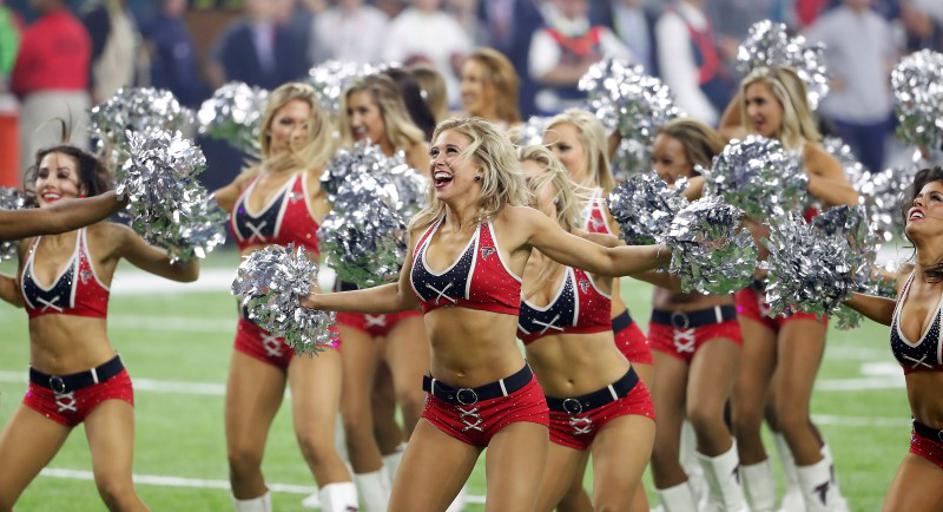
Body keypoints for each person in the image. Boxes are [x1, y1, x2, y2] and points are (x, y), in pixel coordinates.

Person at [301, 117, 669, 511]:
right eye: (435, 151)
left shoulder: (516, 222)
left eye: (452, 151)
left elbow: (607, 258)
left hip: (512, 407)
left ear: (481, 166)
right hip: (444, 408)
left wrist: (671, 248)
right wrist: (319, 301)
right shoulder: (422, 228)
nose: (438, 159)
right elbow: (400, 295)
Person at [0, 144, 199, 511]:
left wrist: (181, 227)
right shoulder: (28, 240)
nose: (49, 182)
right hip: (44, 394)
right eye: (42, 174)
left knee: (116, 490)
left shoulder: (107, 236)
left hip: (100, 389)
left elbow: (184, 273)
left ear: (83, 190)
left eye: (62, 175)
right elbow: (24, 297)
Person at [212, 82, 357, 512]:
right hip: (253, 332)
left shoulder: (318, 181)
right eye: (287, 121)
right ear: (269, 125)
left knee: (316, 442)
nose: (295, 132)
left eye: (305, 125)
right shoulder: (248, 182)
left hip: (308, 331)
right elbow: (196, 214)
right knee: (241, 458)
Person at [720, 66, 858, 512]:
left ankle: (827, 503)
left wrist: (799, 178)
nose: (753, 110)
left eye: (762, 101)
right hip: (754, 292)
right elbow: (722, 130)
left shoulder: (810, 155)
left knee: (788, 412)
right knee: (744, 414)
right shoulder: (742, 149)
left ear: (786, 104)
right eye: (749, 102)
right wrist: (753, 73)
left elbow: (851, 200)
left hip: (802, 294)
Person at [314, 72, 430, 511]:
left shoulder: (419, 153)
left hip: (404, 296)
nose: (357, 120)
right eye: (350, 112)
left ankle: (435, 500)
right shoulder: (341, 160)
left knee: (413, 399)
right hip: (353, 296)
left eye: (365, 110)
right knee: (357, 416)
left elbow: (438, 215)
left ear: (387, 111)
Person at [518, 144, 656, 511]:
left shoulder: (591, 245)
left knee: (611, 506)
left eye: (532, 183)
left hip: (618, 404)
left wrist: (682, 250)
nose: (524, 192)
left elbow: (641, 265)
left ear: (555, 189)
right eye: (515, 184)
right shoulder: (505, 261)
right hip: (556, 416)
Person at [644, 118, 746, 510]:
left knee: (704, 413)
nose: (658, 170)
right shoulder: (649, 205)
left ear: (698, 166)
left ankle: (730, 506)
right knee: (658, 444)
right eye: (654, 159)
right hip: (664, 327)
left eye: (667, 161)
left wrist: (619, 262)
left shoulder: (718, 207)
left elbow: (687, 277)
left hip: (713, 323)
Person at [846, 166, 943, 510]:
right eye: (919, 197)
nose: (920, 202)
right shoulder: (907, 279)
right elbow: (898, 315)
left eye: (936, 198)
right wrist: (839, 292)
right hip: (929, 446)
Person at [10, 0, 91, 176]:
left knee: (38, 165)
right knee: (75, 168)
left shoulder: (37, 32)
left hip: (45, 101)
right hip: (78, 99)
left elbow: (19, 74)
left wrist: (15, 91)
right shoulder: (78, 30)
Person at [528, 0, 633, 114]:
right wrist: (584, 72)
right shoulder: (547, 34)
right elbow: (542, 72)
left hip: (594, 105)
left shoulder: (598, 32)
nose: (574, 5)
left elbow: (626, 59)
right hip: (559, 106)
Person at [656, 0, 733, 125]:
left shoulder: (701, 19)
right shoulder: (672, 24)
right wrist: (708, 121)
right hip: (700, 115)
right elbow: (679, 85)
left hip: (718, 107)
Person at [459, 47, 522, 131]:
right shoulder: (451, 132)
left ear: (496, 85)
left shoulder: (519, 134)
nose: (464, 89)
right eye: (462, 79)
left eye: (472, 80)